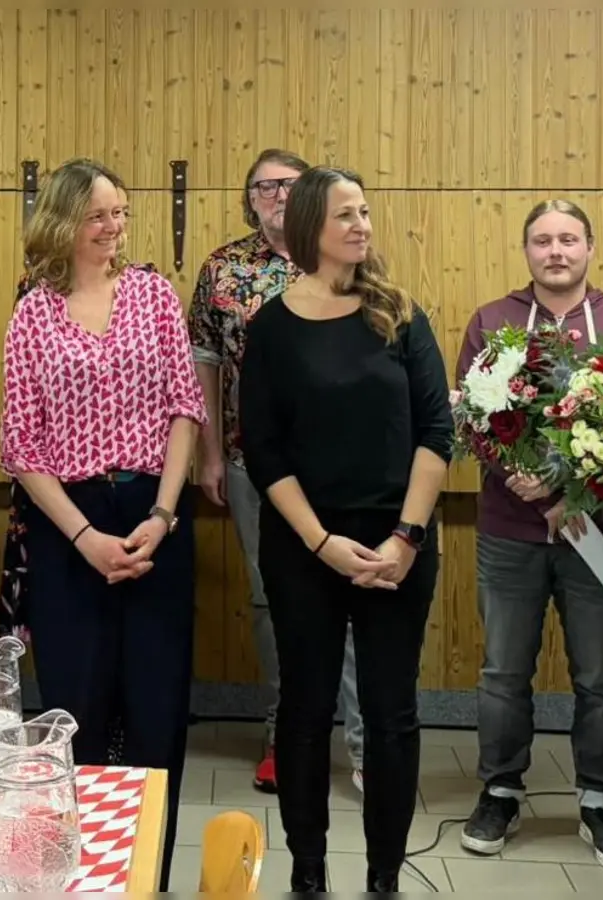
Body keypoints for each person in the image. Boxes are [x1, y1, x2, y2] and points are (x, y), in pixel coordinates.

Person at [238, 166, 451, 893]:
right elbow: (262, 450)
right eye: (344, 215)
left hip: (399, 543)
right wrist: (322, 544)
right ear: (308, 229)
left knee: (392, 712)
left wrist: (406, 539)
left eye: (365, 211)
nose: (361, 225)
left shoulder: (400, 313)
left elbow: (437, 432)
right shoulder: (270, 327)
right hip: (306, 547)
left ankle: (385, 877)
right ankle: (308, 873)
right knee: (305, 708)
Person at [0, 158, 205, 889]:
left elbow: (187, 408)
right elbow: (21, 447)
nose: (115, 227)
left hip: (154, 518)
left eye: (121, 212)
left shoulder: (153, 295)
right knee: (73, 711)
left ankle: (147, 877)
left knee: (156, 713)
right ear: (62, 223)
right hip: (69, 525)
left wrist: (163, 512)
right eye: (99, 215)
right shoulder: (33, 312)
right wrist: (84, 538)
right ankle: (75, 876)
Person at [453, 199, 603, 871]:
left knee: (601, 675)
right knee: (504, 671)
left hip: (598, 535)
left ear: (590, 248)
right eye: (543, 240)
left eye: (568, 239)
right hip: (509, 530)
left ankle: (601, 802)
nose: (555, 251)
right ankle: (500, 790)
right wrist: (529, 484)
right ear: (527, 250)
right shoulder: (493, 322)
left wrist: (575, 495)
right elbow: (473, 420)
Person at [189, 148, 365, 794]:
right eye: (263, 187)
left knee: (348, 594)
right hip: (249, 462)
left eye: (289, 185)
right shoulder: (224, 270)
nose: (276, 196)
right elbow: (203, 359)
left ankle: (361, 740)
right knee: (271, 600)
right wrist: (209, 452)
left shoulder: (346, 260)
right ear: (249, 198)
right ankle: (284, 730)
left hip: (340, 465)